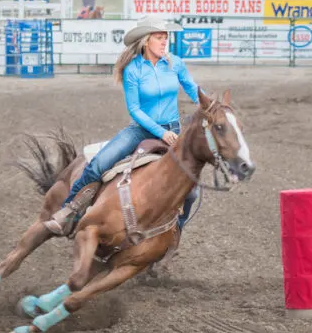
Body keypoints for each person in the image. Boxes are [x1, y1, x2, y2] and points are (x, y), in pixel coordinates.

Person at [44, 17, 201, 237]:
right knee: (99, 164)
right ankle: (68, 210)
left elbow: (193, 89)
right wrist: (161, 133)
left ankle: (175, 232)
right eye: (159, 37)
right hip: (141, 130)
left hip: (173, 128)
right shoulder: (133, 69)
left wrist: (208, 103)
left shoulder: (175, 63)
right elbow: (135, 109)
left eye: (166, 37)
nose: (164, 41)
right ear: (146, 41)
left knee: (192, 193)